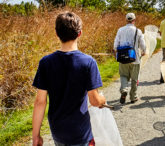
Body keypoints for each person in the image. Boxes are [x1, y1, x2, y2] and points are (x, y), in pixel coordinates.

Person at [32, 11, 106, 146]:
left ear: (57, 33)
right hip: (80, 132)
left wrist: (36, 135)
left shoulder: (45, 62)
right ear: (80, 33)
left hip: (58, 130)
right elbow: (94, 101)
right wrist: (102, 99)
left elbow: (40, 102)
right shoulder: (88, 62)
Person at [113, 13, 146, 104]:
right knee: (134, 79)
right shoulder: (138, 31)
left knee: (123, 75)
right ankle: (133, 97)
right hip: (134, 58)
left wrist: (115, 51)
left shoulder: (120, 30)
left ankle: (124, 90)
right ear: (134, 20)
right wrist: (144, 51)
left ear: (126, 20)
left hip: (123, 58)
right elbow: (142, 44)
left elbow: (116, 44)